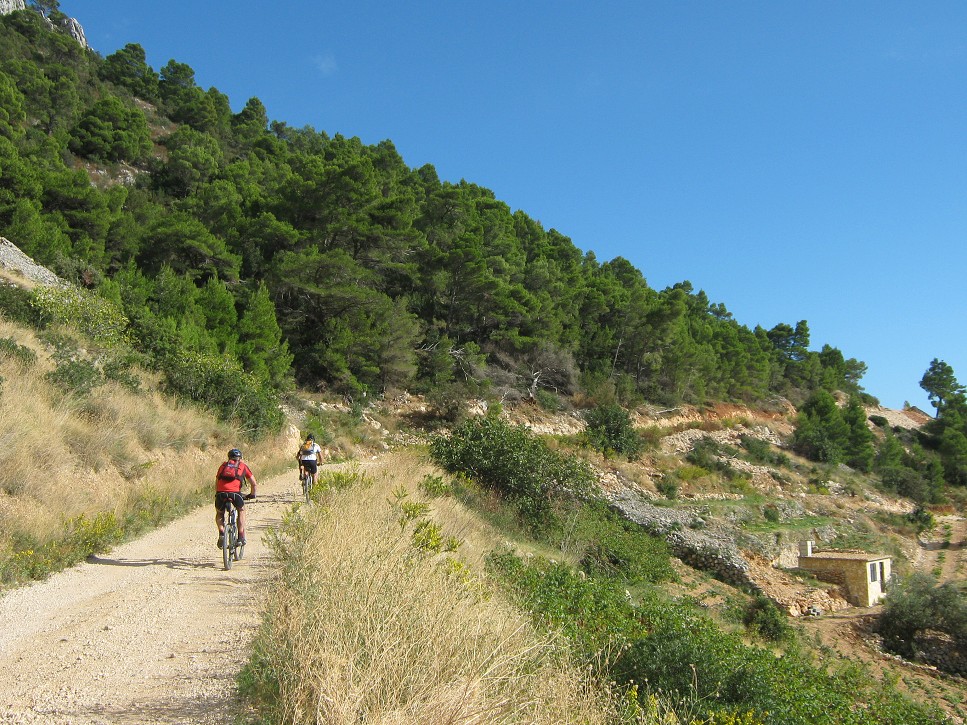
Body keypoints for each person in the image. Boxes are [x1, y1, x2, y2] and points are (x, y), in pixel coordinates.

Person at [215, 448, 257, 548]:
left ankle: (221, 532)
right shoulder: (243, 466)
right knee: (241, 511)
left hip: (221, 493)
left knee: (220, 513)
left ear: (229, 457)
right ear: (240, 458)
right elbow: (254, 484)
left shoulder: (223, 466)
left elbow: (217, 481)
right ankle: (241, 536)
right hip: (235, 494)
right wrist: (252, 495)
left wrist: (218, 493)